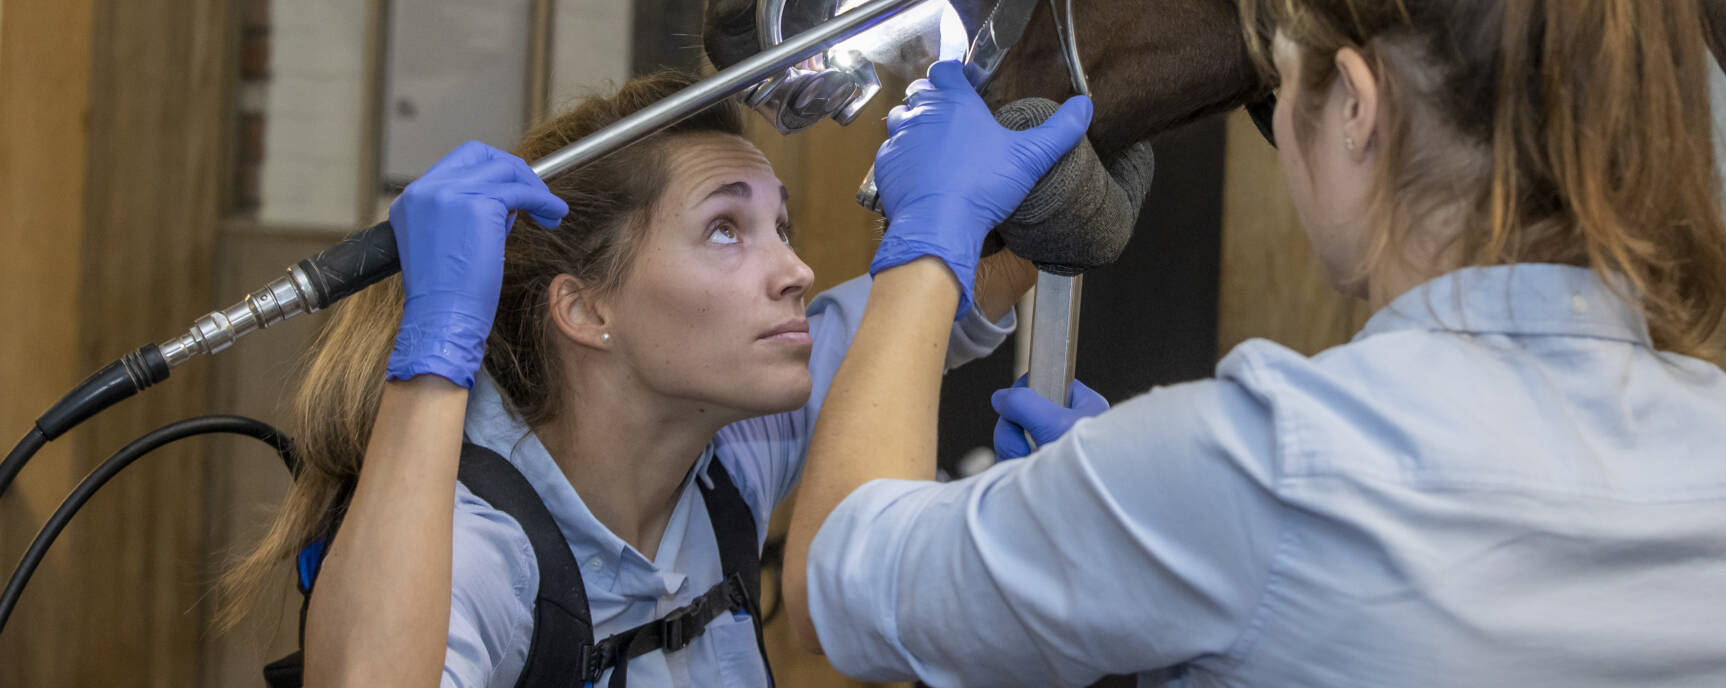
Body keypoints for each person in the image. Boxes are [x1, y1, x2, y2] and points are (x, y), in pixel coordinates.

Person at [783, 0, 1726, 687]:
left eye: (1282, 89)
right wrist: (1131, 542)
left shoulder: (1266, 461)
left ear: (1358, 111)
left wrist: (930, 237)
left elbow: (837, 584)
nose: (1282, 129)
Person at [218, 69, 1089, 688]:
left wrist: (1077, 168)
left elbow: (937, 305)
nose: (795, 270)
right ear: (585, 310)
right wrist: (436, 346)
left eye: (779, 225)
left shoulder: (735, 441)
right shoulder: (482, 552)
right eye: (724, 230)